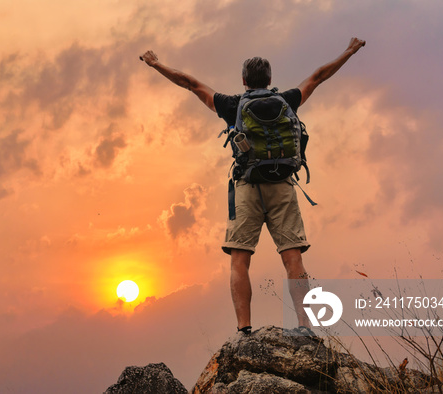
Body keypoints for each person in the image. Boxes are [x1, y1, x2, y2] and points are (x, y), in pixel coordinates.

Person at [140, 37, 366, 334]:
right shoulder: (288, 99)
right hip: (283, 185)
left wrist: (156, 64)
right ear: (269, 79)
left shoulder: (232, 105)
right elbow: (318, 76)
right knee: (292, 256)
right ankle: (305, 326)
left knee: (239, 258)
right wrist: (348, 51)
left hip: (247, 186)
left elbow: (190, 83)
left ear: (244, 80)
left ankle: (244, 330)